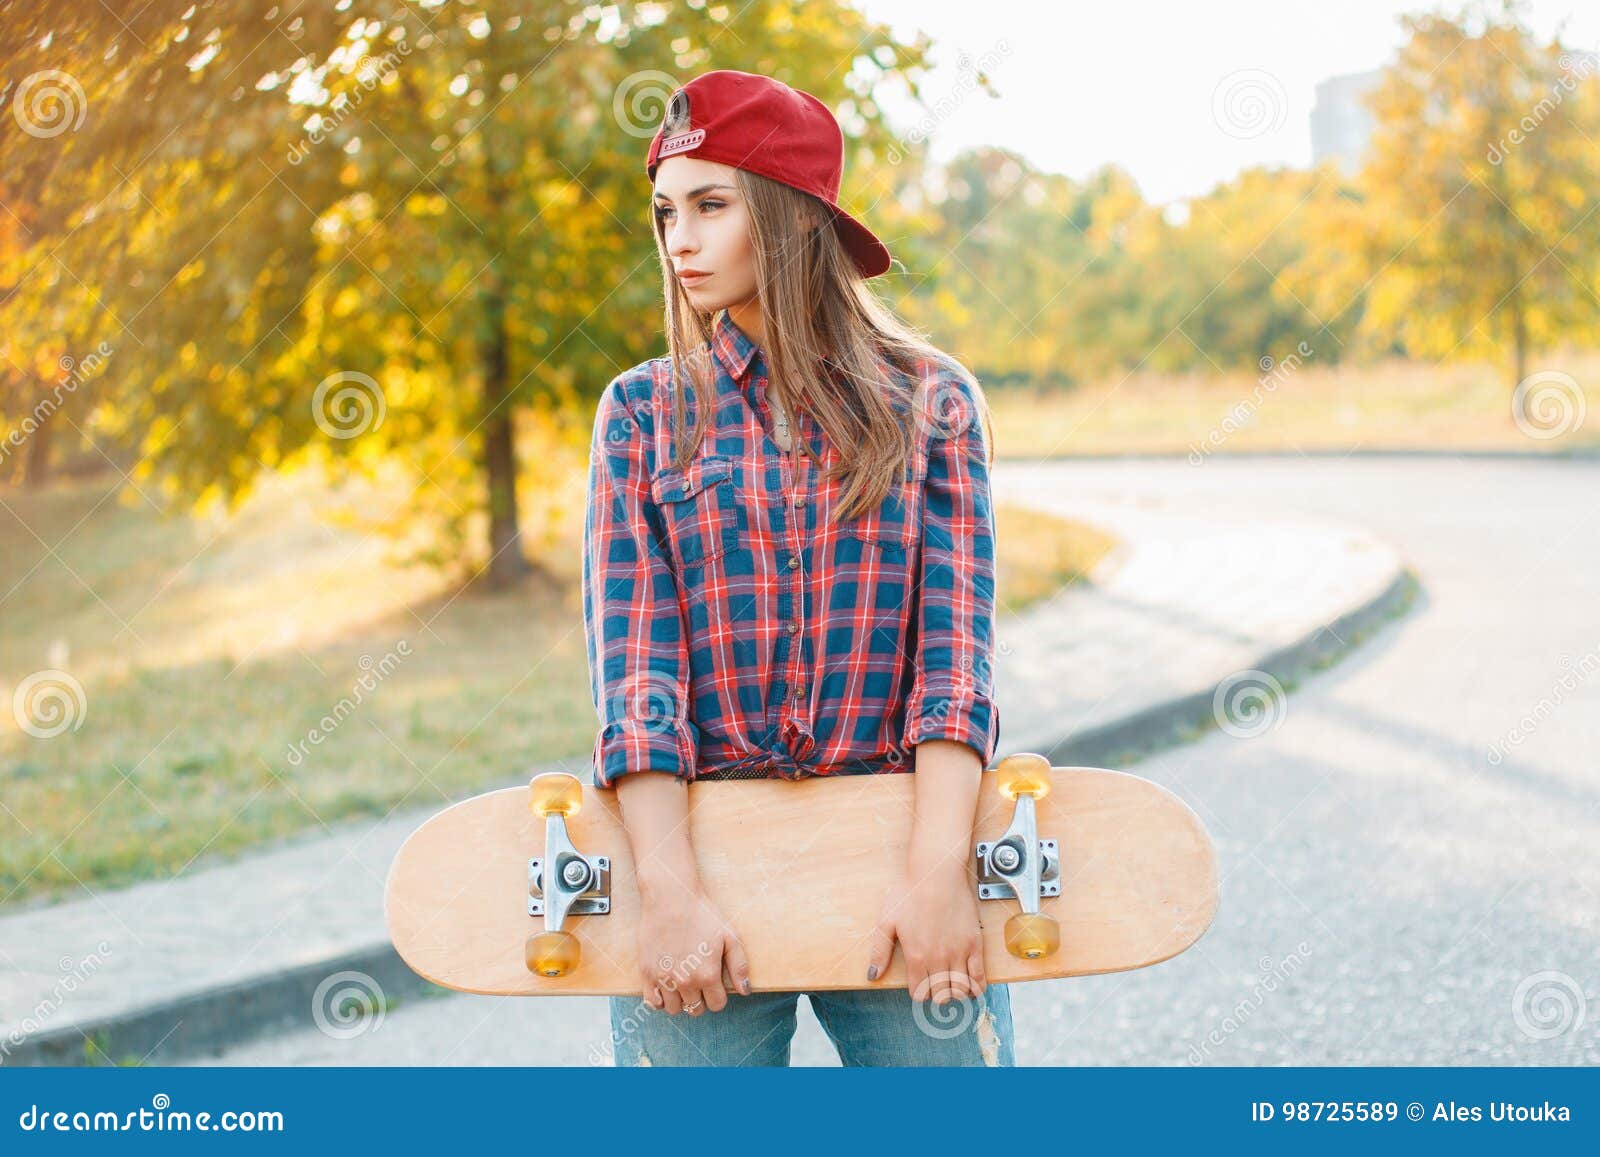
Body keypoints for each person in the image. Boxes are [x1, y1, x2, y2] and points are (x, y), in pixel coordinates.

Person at [582, 69, 1013, 1067]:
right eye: (664, 212)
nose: (678, 239)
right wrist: (670, 891)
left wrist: (936, 871)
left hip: (899, 858)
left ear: (785, 221)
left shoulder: (929, 400)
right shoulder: (644, 414)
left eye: (710, 205)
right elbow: (636, 676)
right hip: (702, 869)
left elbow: (954, 662)